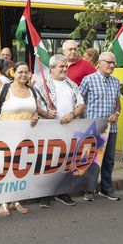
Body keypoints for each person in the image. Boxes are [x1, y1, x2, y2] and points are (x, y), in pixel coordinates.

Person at [0, 63, 48, 217]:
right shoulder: (5, 89)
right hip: (6, 136)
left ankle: (16, 200)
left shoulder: (31, 91)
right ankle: (3, 202)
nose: (23, 75)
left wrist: (35, 116)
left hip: (25, 137)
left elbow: (34, 110)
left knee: (20, 168)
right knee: (5, 168)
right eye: (20, 72)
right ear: (13, 73)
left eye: (26, 72)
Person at [34, 54, 82, 208]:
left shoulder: (72, 84)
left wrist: (72, 114)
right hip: (48, 130)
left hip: (69, 129)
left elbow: (82, 104)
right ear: (52, 68)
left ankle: (62, 192)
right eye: (61, 66)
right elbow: (33, 105)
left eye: (66, 66)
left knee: (66, 162)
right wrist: (45, 113)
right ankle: (45, 195)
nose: (65, 69)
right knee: (48, 162)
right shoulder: (42, 84)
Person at [75, 51, 123, 201]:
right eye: (108, 62)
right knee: (92, 159)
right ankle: (89, 189)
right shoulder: (88, 80)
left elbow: (118, 103)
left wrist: (116, 113)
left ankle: (106, 189)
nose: (111, 65)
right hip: (93, 127)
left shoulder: (116, 81)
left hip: (111, 127)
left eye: (113, 63)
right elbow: (79, 101)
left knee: (109, 159)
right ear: (100, 62)